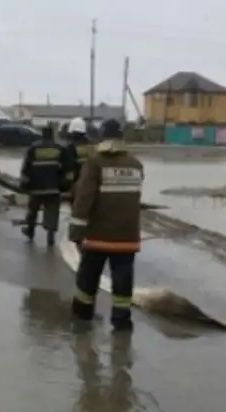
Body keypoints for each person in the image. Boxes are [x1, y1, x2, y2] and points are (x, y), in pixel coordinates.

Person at [68, 118, 144, 331]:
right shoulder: (136, 164)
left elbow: (83, 200)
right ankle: (121, 321)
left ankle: (82, 318)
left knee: (88, 279)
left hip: (97, 237)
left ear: (102, 137)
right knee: (123, 280)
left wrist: (75, 232)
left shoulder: (95, 163)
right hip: (127, 237)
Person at [20, 125, 66, 246]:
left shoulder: (33, 148)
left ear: (42, 134)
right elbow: (65, 170)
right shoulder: (60, 149)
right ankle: (50, 233)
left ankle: (30, 231)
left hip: (36, 188)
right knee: (52, 211)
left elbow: (26, 168)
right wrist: (64, 187)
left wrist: (23, 185)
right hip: (53, 187)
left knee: (32, 210)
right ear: (52, 135)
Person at [62, 117, 93, 195]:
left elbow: (68, 166)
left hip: (77, 181)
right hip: (91, 179)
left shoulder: (70, 146)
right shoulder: (91, 144)